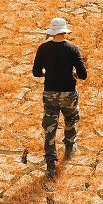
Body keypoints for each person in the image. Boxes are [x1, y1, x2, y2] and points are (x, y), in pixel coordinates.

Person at [33, 17, 88, 179]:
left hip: (50, 93)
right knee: (70, 120)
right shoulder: (73, 49)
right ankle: (69, 148)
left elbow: (36, 72)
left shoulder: (43, 48)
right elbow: (83, 75)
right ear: (64, 31)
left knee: (50, 126)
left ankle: (50, 161)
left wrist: (46, 73)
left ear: (52, 32)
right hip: (68, 93)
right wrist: (74, 75)